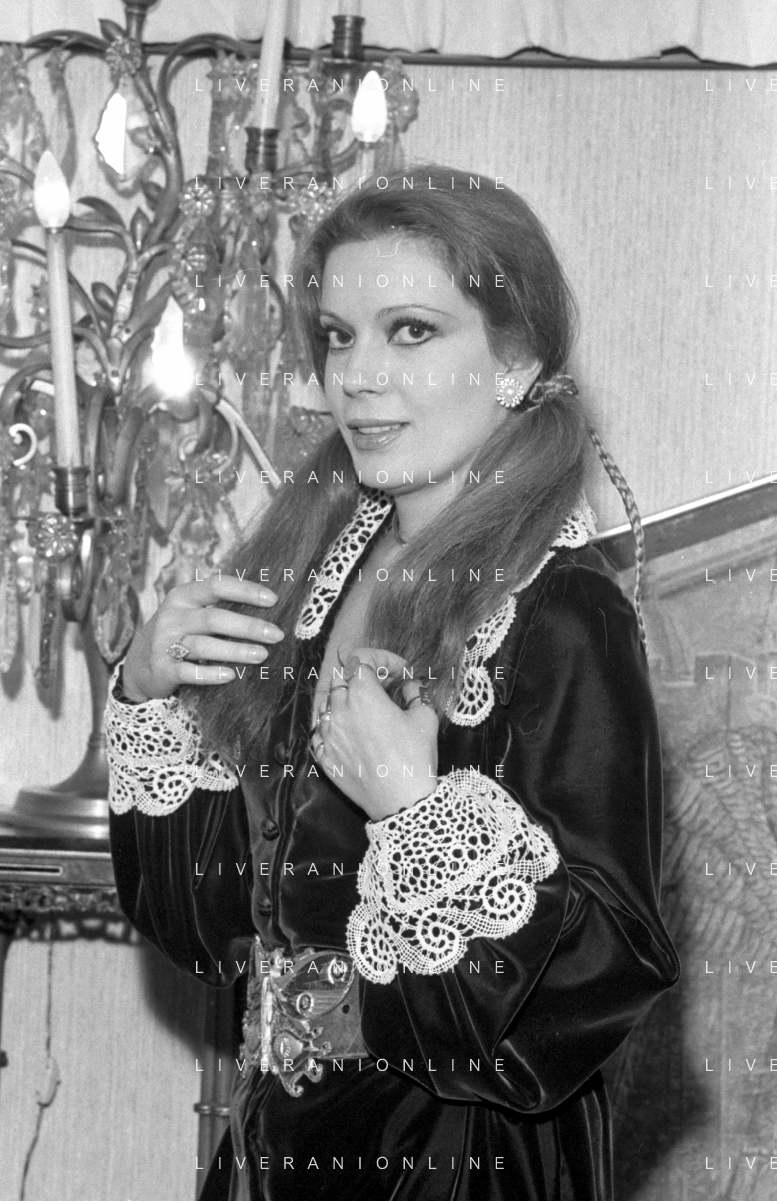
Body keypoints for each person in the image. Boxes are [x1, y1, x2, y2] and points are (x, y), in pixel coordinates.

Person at [106, 164, 680, 1201]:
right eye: (337, 336)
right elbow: (212, 922)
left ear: (516, 361)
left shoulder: (563, 612)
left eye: (411, 331)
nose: (356, 377)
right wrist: (153, 693)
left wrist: (415, 812)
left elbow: (609, 970)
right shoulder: (306, 575)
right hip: (281, 1148)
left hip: (457, 1160)